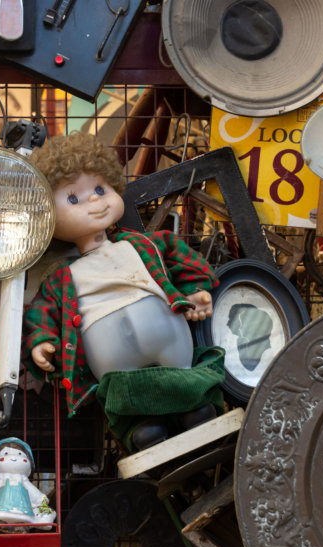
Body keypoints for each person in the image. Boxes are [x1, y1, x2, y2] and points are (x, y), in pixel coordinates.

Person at [23, 132, 226, 451]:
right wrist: (42, 343)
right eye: (73, 199)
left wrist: (196, 290)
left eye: (101, 189)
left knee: (182, 374)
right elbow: (42, 314)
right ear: (47, 215)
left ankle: (193, 408)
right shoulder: (61, 277)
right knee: (123, 395)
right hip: (112, 358)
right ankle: (140, 427)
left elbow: (182, 258)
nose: (94, 201)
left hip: (167, 333)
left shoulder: (144, 244)